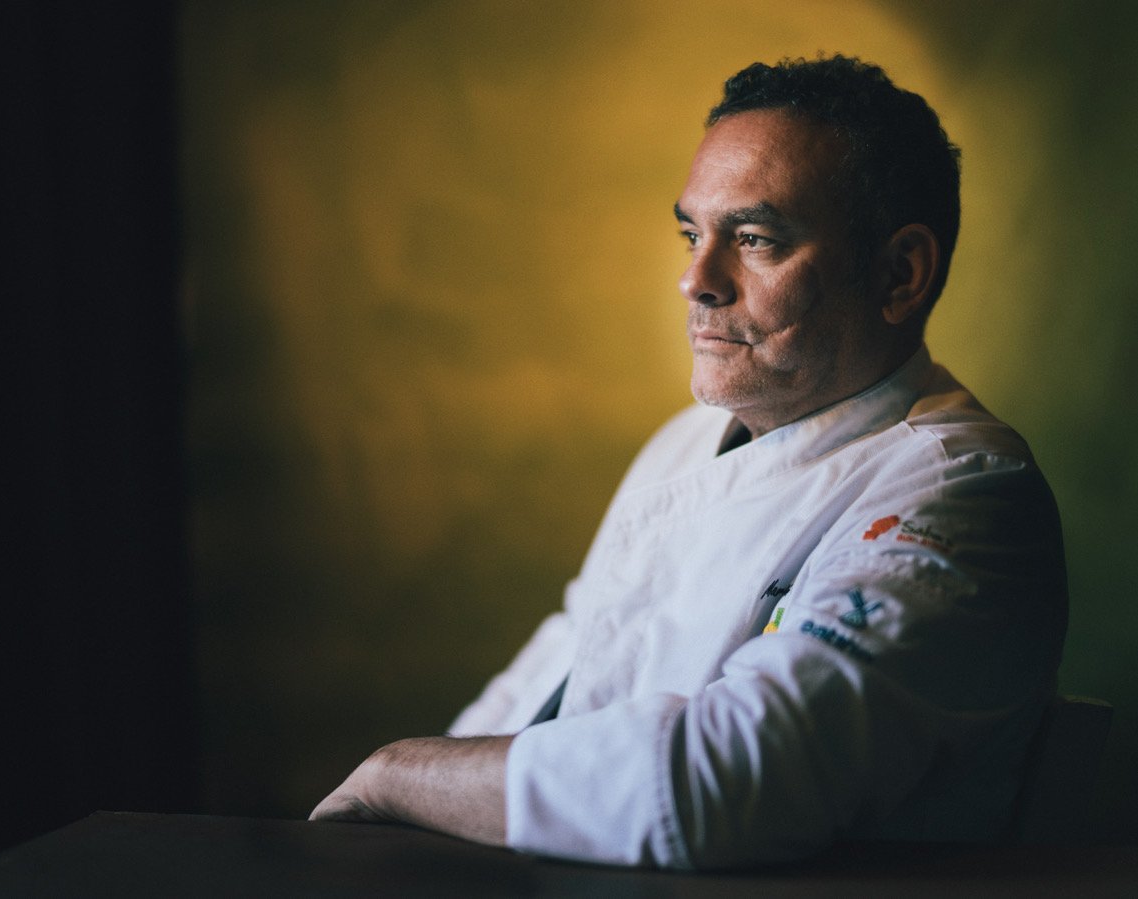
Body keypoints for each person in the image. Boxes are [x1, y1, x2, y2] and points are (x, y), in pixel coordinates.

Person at [309, 55, 1067, 870]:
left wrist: (396, 776)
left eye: (753, 238)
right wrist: (410, 813)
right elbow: (549, 676)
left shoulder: (962, 490)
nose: (694, 279)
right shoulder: (681, 443)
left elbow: (731, 778)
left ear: (898, 273)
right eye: (691, 233)